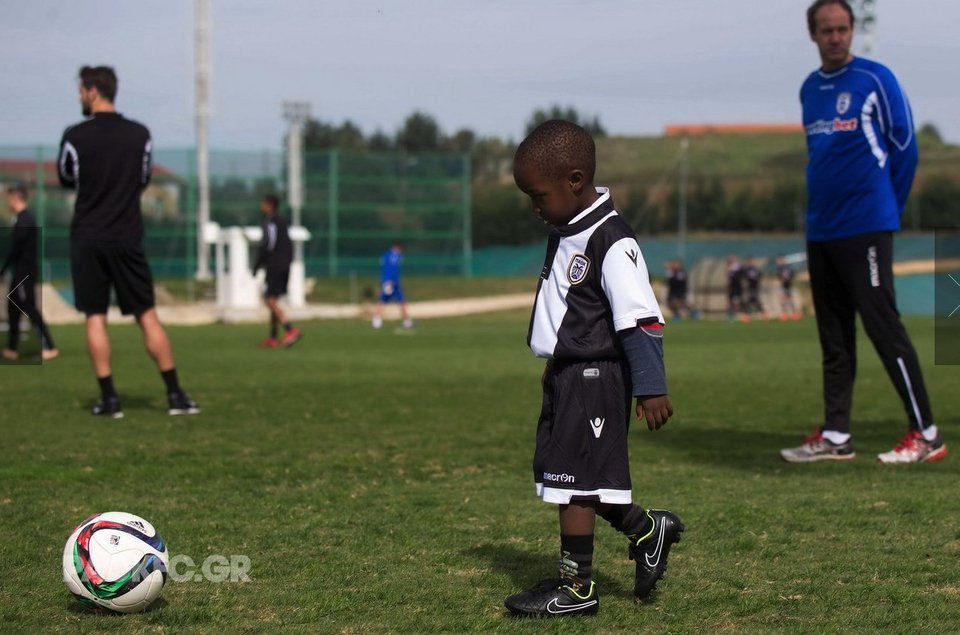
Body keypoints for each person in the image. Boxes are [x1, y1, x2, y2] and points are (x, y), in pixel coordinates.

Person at [503, 120, 683, 618]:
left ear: (575, 181)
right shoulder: (568, 228)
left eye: (537, 195)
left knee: (575, 482)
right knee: (571, 476)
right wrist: (555, 365)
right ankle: (649, 529)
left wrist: (651, 386)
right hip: (569, 373)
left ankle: (577, 588)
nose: (534, 207)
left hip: (595, 377)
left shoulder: (611, 239)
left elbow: (639, 317)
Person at [781, 0, 944, 464]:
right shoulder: (809, 88)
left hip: (867, 226)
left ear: (852, 30)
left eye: (842, 28)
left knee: (884, 328)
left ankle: (926, 432)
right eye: (826, 30)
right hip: (822, 229)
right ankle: (836, 436)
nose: (835, 37)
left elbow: (904, 146)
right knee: (833, 337)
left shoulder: (876, 79)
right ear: (813, 35)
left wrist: (886, 208)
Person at [58, 65, 198, 418]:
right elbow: (143, 177)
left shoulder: (75, 136)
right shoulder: (140, 135)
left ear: (92, 90)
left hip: (89, 237)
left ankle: (109, 399)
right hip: (127, 237)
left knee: (94, 317)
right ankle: (176, 395)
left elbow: (66, 178)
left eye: (80, 90)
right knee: (147, 316)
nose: (79, 96)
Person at [2, 183, 58, 361]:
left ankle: (49, 346)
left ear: (15, 198)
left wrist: (2, 270)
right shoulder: (20, 218)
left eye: (9, 197)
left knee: (29, 308)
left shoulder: (26, 219)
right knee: (13, 309)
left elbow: (16, 248)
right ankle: (12, 348)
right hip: (19, 270)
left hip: (24, 272)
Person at [252, 194, 301, 348]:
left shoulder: (270, 222)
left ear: (270, 205)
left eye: (263, 203)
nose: (261, 207)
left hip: (275, 265)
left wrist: (258, 263)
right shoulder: (281, 222)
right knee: (273, 299)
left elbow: (269, 244)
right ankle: (273, 337)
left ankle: (290, 329)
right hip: (284, 264)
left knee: (269, 299)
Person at [371, 242, 412, 330]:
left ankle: (377, 320)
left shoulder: (386, 255)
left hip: (389, 281)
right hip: (391, 282)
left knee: (387, 301)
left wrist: (383, 282)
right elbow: (392, 270)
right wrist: (390, 281)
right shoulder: (394, 256)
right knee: (388, 301)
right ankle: (406, 321)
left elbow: (384, 269)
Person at [775, 256, 801, 321]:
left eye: (780, 260)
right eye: (778, 261)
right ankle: (785, 314)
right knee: (783, 300)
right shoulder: (779, 269)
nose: (779, 262)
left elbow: (793, 275)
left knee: (789, 300)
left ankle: (795, 314)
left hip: (788, 286)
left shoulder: (788, 268)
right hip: (783, 286)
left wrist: (788, 279)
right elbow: (778, 277)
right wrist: (782, 279)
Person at [725, 255, 746, 321]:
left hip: (737, 287)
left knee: (737, 301)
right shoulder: (730, 268)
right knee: (730, 301)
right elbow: (727, 273)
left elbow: (742, 274)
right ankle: (730, 314)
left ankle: (737, 314)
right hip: (731, 287)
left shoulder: (739, 267)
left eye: (734, 259)